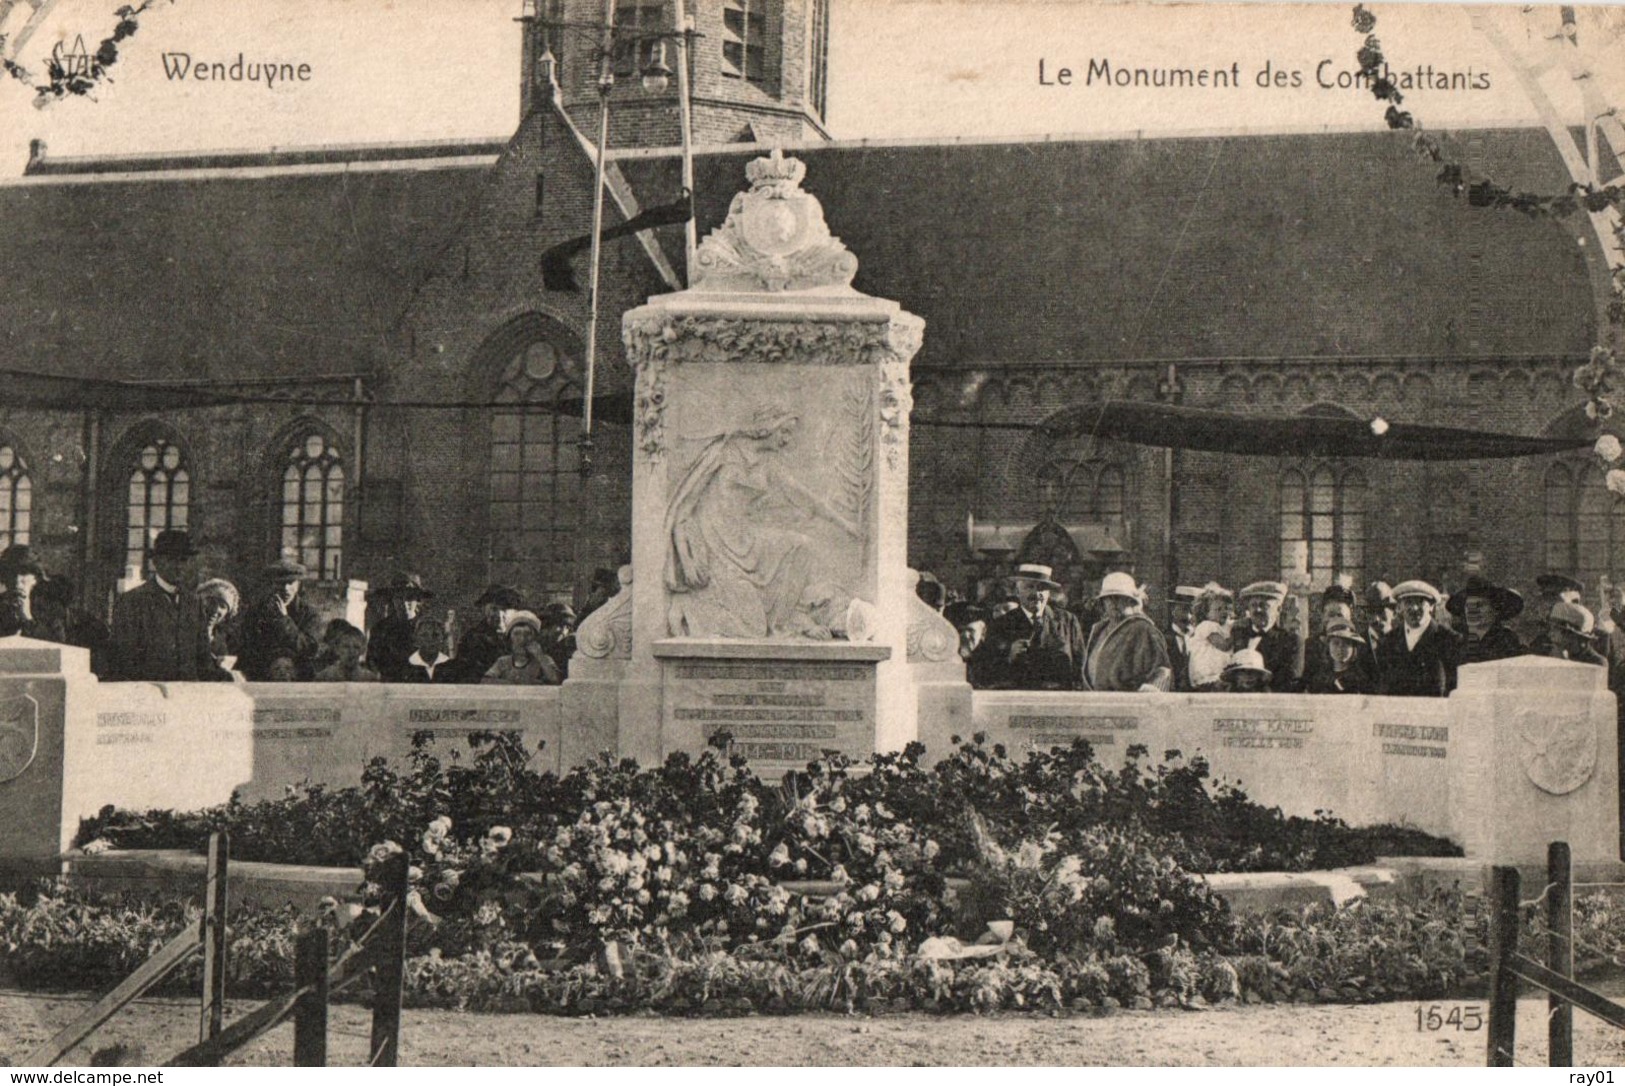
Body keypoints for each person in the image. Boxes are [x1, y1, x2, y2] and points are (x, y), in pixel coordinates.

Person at [663, 406, 860, 638]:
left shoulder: (769, 466)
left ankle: (782, 622)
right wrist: (686, 559)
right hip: (714, 545)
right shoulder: (723, 453)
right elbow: (684, 508)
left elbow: (809, 500)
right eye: (784, 432)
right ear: (768, 428)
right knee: (752, 628)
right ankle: (688, 605)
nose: (787, 440)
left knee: (800, 547)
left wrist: (846, 525)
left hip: (745, 540)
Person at [108, 530, 211, 682]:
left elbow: (203, 658)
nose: (179, 566)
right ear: (155, 562)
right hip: (149, 696)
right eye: (171, 559)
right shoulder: (132, 602)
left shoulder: (195, 603)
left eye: (183, 560)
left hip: (188, 697)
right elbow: (123, 661)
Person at [968, 563, 1088, 689]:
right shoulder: (1002, 624)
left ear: (1049, 593)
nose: (1036, 593)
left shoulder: (1067, 621)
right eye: (1029, 587)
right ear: (1017, 591)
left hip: (1059, 699)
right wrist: (1009, 656)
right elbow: (984, 672)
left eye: (1042, 588)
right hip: (1021, 699)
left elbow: (1082, 666)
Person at [1081, 571, 1172, 693]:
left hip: (1128, 704)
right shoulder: (1099, 630)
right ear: (1102, 602)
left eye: (1119, 598)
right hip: (1098, 702)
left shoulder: (1142, 629)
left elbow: (1162, 671)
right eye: (1109, 598)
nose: (1114, 603)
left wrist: (1148, 698)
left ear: (1130, 601)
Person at [238, 558, 324, 681]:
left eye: (291, 582)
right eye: (280, 583)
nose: (286, 588)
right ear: (271, 585)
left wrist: (283, 620)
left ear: (298, 584)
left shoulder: (309, 614)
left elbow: (310, 649)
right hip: (262, 677)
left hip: (299, 678)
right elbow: (247, 650)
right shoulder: (256, 612)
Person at [1376, 580, 1459, 697]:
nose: (1414, 608)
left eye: (1420, 602)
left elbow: (1454, 690)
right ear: (1399, 607)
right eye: (1408, 602)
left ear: (1431, 606)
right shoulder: (1388, 642)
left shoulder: (1448, 640)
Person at [1230, 581, 1302, 693]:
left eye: (1264, 606)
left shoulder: (1290, 640)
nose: (1258, 610)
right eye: (1253, 605)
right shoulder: (1236, 634)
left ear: (1278, 610)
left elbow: (1290, 680)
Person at [447, 584, 522, 683]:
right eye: (494, 609)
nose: (499, 615)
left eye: (504, 610)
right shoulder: (473, 638)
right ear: (485, 610)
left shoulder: (520, 636)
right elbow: (469, 676)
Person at [368, 572, 434, 682]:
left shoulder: (428, 627)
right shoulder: (381, 629)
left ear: (418, 600)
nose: (404, 602)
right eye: (399, 597)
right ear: (393, 600)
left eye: (409, 597)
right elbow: (372, 663)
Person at [1448, 575, 1525, 666]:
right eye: (1468, 606)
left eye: (1480, 605)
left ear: (1495, 609)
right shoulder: (1459, 642)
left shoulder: (1507, 640)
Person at [482, 610, 562, 685]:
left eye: (528, 634)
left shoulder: (544, 660)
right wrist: (513, 684)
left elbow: (556, 680)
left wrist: (540, 656)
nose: (522, 639)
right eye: (517, 634)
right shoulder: (503, 662)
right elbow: (486, 681)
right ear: (510, 638)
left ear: (535, 638)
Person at [1303, 618, 1376, 694]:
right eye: (1336, 643)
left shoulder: (1361, 678)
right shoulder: (1319, 677)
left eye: (1346, 643)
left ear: (1353, 648)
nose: (1340, 648)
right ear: (1328, 646)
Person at [1186, 584, 1235, 692]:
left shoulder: (1225, 626)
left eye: (1227, 608)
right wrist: (1236, 632)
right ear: (1205, 613)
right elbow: (1224, 645)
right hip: (1207, 675)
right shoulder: (1206, 626)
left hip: (1218, 675)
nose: (1224, 612)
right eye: (1218, 609)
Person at [0, 544, 51, 639]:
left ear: (35, 578)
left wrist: (27, 616)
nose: (17, 580)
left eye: (24, 573)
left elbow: (56, 645)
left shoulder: (50, 608)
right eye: (12, 574)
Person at [1527, 573, 1584, 657]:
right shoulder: (1539, 636)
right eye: (1545, 596)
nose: (1548, 603)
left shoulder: (1584, 633)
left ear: (1573, 601)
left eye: (1553, 596)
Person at [195, 578, 241, 681]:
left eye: (223, 606)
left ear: (226, 616)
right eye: (211, 601)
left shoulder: (224, 641)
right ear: (198, 599)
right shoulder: (182, 630)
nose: (215, 609)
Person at [1544, 601, 1609, 666]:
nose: (1550, 633)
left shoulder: (1597, 662)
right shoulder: (1557, 652)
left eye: (1555, 629)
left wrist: (1561, 662)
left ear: (1570, 634)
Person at [314, 620, 379, 682]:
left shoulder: (369, 679)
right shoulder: (324, 677)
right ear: (337, 649)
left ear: (362, 650)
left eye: (356, 647)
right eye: (346, 647)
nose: (351, 651)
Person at [1165, 585, 1201, 692]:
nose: (1189, 617)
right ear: (1173, 609)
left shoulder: (1201, 638)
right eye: (1184, 610)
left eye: (1193, 611)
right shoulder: (1163, 638)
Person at [402, 616, 455, 682]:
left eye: (435, 635)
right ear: (416, 639)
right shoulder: (405, 667)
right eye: (424, 635)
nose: (430, 640)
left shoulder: (451, 667)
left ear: (443, 639)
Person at [538, 602, 577, 680]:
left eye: (568, 627)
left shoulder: (570, 645)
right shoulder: (540, 644)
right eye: (546, 627)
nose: (564, 631)